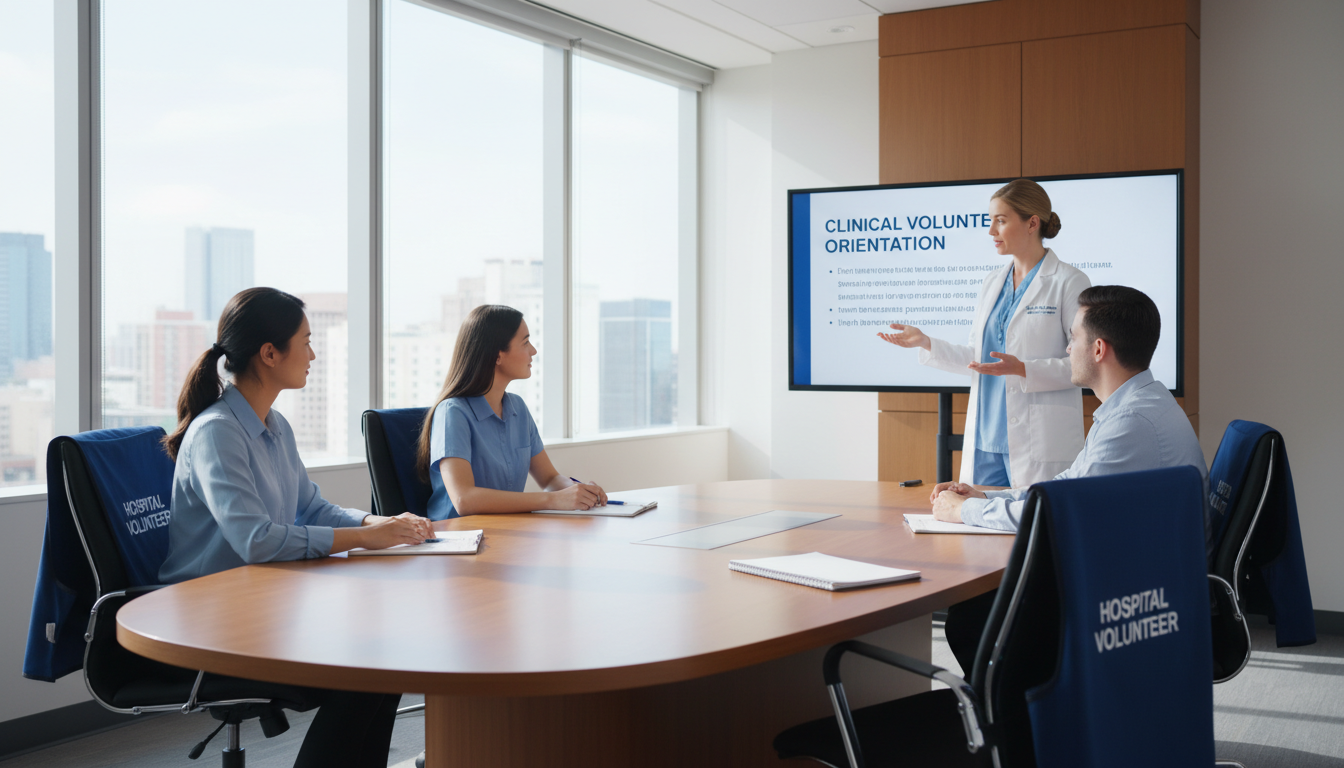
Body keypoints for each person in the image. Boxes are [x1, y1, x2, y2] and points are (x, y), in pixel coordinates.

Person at [158, 287, 431, 768]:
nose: (312, 353)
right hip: (213, 617)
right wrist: (366, 538)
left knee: (385, 654)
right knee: (369, 664)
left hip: (262, 600)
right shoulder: (218, 432)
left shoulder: (274, 424)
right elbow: (256, 540)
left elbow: (310, 506)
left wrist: (378, 522)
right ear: (269, 354)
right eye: (305, 341)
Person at [930, 285, 1208, 672]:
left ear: (1098, 349)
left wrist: (967, 512)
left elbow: (1055, 514)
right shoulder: (1137, 403)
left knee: (973, 616)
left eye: (1072, 337)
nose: (1066, 349)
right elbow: (1068, 486)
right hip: (1132, 570)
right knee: (981, 608)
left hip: (1122, 595)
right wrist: (990, 497)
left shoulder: (1131, 423)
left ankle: (1017, 727)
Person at [879, 179, 1091, 487]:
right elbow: (977, 358)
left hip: (1039, 440)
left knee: (1036, 528)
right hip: (985, 438)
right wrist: (925, 342)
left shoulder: (1069, 281)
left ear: (1032, 223)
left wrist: (1023, 369)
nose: (991, 231)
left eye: (1000, 221)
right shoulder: (992, 282)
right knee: (977, 528)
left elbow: (1084, 365)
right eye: (990, 221)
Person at [419, 304, 606, 520]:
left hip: (508, 534)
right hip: (459, 541)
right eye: (525, 342)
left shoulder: (518, 408)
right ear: (497, 355)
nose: (533, 351)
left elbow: (550, 479)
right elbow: (464, 500)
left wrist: (579, 492)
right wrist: (554, 500)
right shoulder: (452, 413)